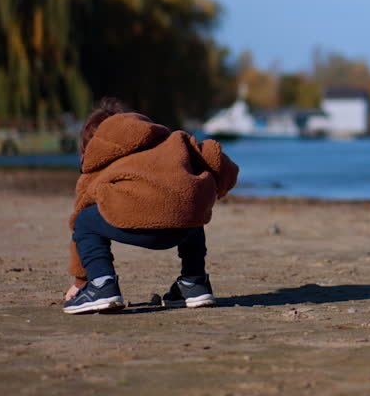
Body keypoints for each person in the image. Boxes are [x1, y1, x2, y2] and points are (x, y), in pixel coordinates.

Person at [62, 97, 239, 314]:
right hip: (183, 227)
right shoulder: (172, 142)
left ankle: (101, 284)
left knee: (84, 220)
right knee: (189, 202)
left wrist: (81, 281)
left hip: (137, 224)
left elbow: (80, 214)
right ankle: (194, 282)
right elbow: (216, 157)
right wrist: (220, 189)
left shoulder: (97, 162)